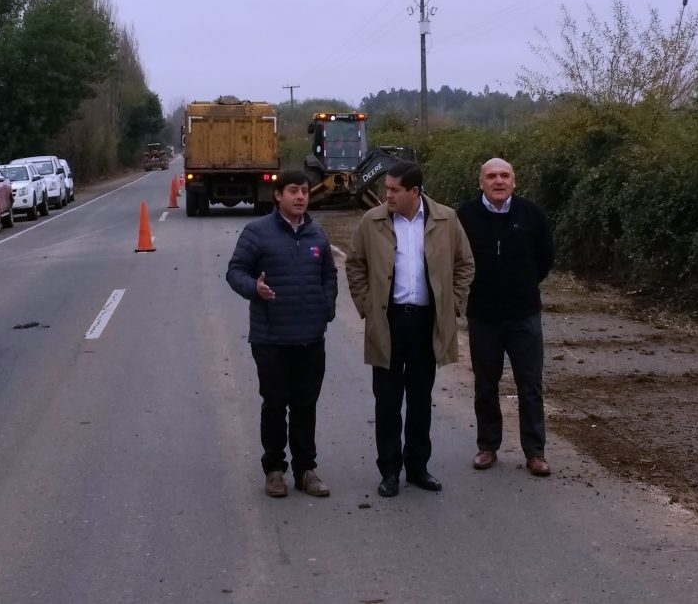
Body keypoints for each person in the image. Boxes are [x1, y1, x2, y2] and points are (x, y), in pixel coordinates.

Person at [347, 161, 475, 497]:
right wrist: (367, 308)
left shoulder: (446, 220)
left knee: (420, 398)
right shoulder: (370, 221)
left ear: (414, 192)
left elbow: (465, 264)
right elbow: (355, 265)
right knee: (387, 400)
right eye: (386, 188)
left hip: (425, 322)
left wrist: (454, 305)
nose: (386, 194)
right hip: (388, 322)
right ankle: (389, 470)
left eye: (393, 190)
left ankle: (418, 467)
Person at [226, 169, 338, 498]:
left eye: (304, 191)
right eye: (293, 191)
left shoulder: (318, 234)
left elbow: (329, 275)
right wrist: (254, 288)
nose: (301, 196)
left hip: (310, 336)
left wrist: (326, 307)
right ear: (278, 195)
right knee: (275, 403)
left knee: (306, 404)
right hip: (271, 337)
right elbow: (235, 271)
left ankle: (306, 469)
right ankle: (274, 469)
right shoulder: (257, 232)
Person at [456, 157, 556, 476]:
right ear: (480, 182)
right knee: (486, 384)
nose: (498, 181)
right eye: (491, 176)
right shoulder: (465, 216)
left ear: (514, 181)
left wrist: (522, 285)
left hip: (523, 315)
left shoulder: (532, 214)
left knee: (530, 385)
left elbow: (545, 257)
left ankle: (535, 452)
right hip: (483, 316)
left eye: (505, 176)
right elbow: (457, 258)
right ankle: (488, 446)